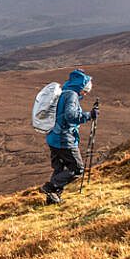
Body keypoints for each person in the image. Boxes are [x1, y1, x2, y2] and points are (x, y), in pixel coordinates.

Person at [39, 69, 98, 205]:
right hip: (64, 140)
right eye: (85, 91)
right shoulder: (71, 95)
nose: (85, 94)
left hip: (53, 137)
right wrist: (89, 115)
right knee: (77, 168)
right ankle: (50, 187)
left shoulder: (63, 93)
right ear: (81, 87)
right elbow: (70, 116)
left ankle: (52, 199)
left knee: (59, 169)